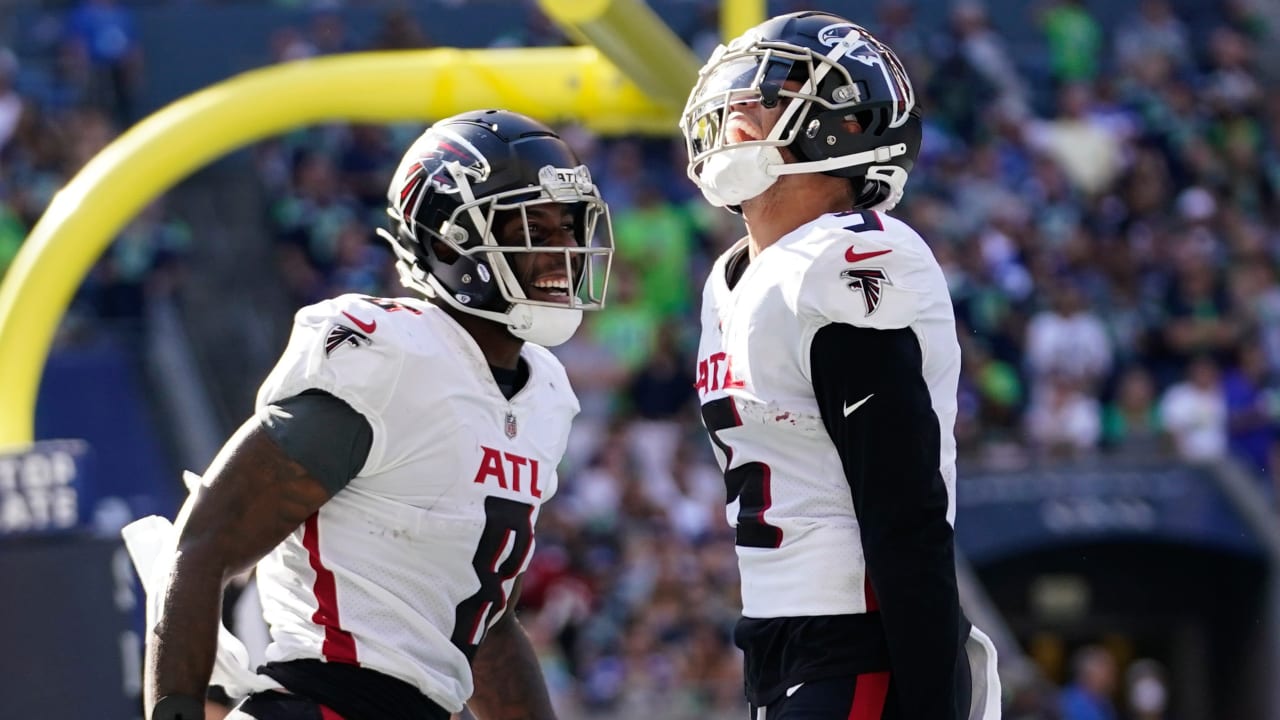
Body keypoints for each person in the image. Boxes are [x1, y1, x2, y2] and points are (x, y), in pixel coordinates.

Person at [126, 109, 614, 720]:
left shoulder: (544, 395)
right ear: (446, 242)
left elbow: (485, 625)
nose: (563, 249)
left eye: (568, 226)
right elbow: (204, 540)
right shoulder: (391, 357)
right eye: (533, 227)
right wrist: (174, 707)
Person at [678, 11, 999, 719]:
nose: (739, 109)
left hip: (859, 638)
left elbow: (903, 502)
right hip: (775, 638)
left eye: (768, 94)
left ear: (841, 126)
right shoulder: (735, 276)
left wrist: (929, 698)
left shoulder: (843, 256)